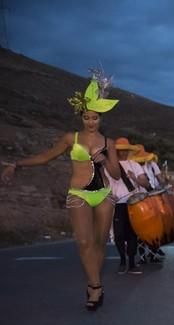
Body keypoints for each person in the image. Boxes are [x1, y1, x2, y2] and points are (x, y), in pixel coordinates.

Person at [1, 72, 120, 310]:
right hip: (78, 193)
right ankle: (95, 287)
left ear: (101, 118)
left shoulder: (109, 143)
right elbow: (46, 157)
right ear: (81, 117)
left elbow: (116, 174)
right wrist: (16, 164)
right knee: (84, 241)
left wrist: (105, 160)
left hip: (104, 194)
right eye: (87, 117)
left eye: (95, 118)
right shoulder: (70, 138)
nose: (90, 121)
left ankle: (94, 285)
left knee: (98, 243)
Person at [108, 137, 150, 275]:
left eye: (125, 150)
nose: (122, 153)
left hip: (134, 204)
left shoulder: (135, 165)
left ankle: (132, 262)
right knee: (119, 234)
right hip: (118, 204)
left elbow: (145, 183)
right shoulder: (109, 166)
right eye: (120, 150)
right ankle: (122, 260)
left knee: (133, 234)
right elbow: (105, 184)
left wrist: (135, 178)